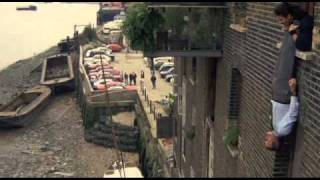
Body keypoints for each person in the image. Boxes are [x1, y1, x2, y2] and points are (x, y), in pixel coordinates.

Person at [265, 79, 299, 151]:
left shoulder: (275, 128)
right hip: (284, 95)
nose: (266, 138)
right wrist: (293, 92)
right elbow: (292, 113)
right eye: (268, 141)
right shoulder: (283, 130)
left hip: (278, 95)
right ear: (276, 142)